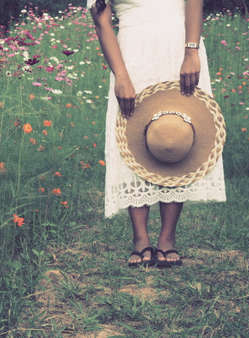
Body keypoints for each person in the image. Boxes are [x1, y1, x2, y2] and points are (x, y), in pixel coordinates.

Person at [87, 0, 227, 267]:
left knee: (177, 135)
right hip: (133, 52)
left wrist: (191, 51)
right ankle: (140, 239)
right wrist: (121, 75)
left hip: (179, 46)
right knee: (133, 134)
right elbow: (101, 18)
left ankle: (167, 239)